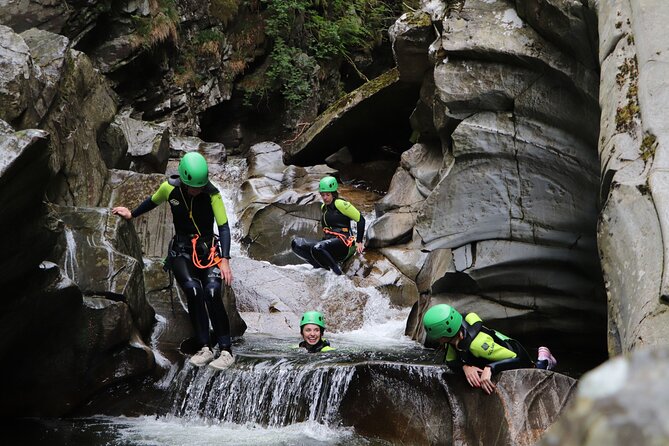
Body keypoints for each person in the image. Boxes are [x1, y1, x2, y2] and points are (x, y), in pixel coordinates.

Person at [112, 152, 235, 370]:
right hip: (182, 252)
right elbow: (152, 201)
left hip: (208, 252)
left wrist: (224, 259)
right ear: (184, 180)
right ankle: (205, 347)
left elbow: (223, 227)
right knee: (194, 290)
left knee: (213, 292)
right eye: (193, 186)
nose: (196, 190)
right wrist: (132, 213)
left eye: (200, 186)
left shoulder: (212, 194)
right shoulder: (170, 188)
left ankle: (226, 350)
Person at [423, 304, 557, 395]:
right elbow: (450, 361)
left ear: (445, 334)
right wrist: (465, 367)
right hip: (493, 353)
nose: (436, 340)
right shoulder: (454, 338)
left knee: (535, 371)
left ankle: (544, 360)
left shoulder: (478, 344)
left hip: (515, 352)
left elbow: (517, 358)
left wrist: (490, 368)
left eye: (437, 337)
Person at [291, 176, 365, 275]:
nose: (325, 197)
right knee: (296, 244)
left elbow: (361, 220)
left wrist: (359, 242)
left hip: (344, 244)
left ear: (333, 194)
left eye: (327, 195)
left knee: (317, 248)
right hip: (328, 243)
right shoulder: (324, 208)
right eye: (322, 195)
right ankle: (320, 268)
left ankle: (338, 274)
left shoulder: (340, 204)